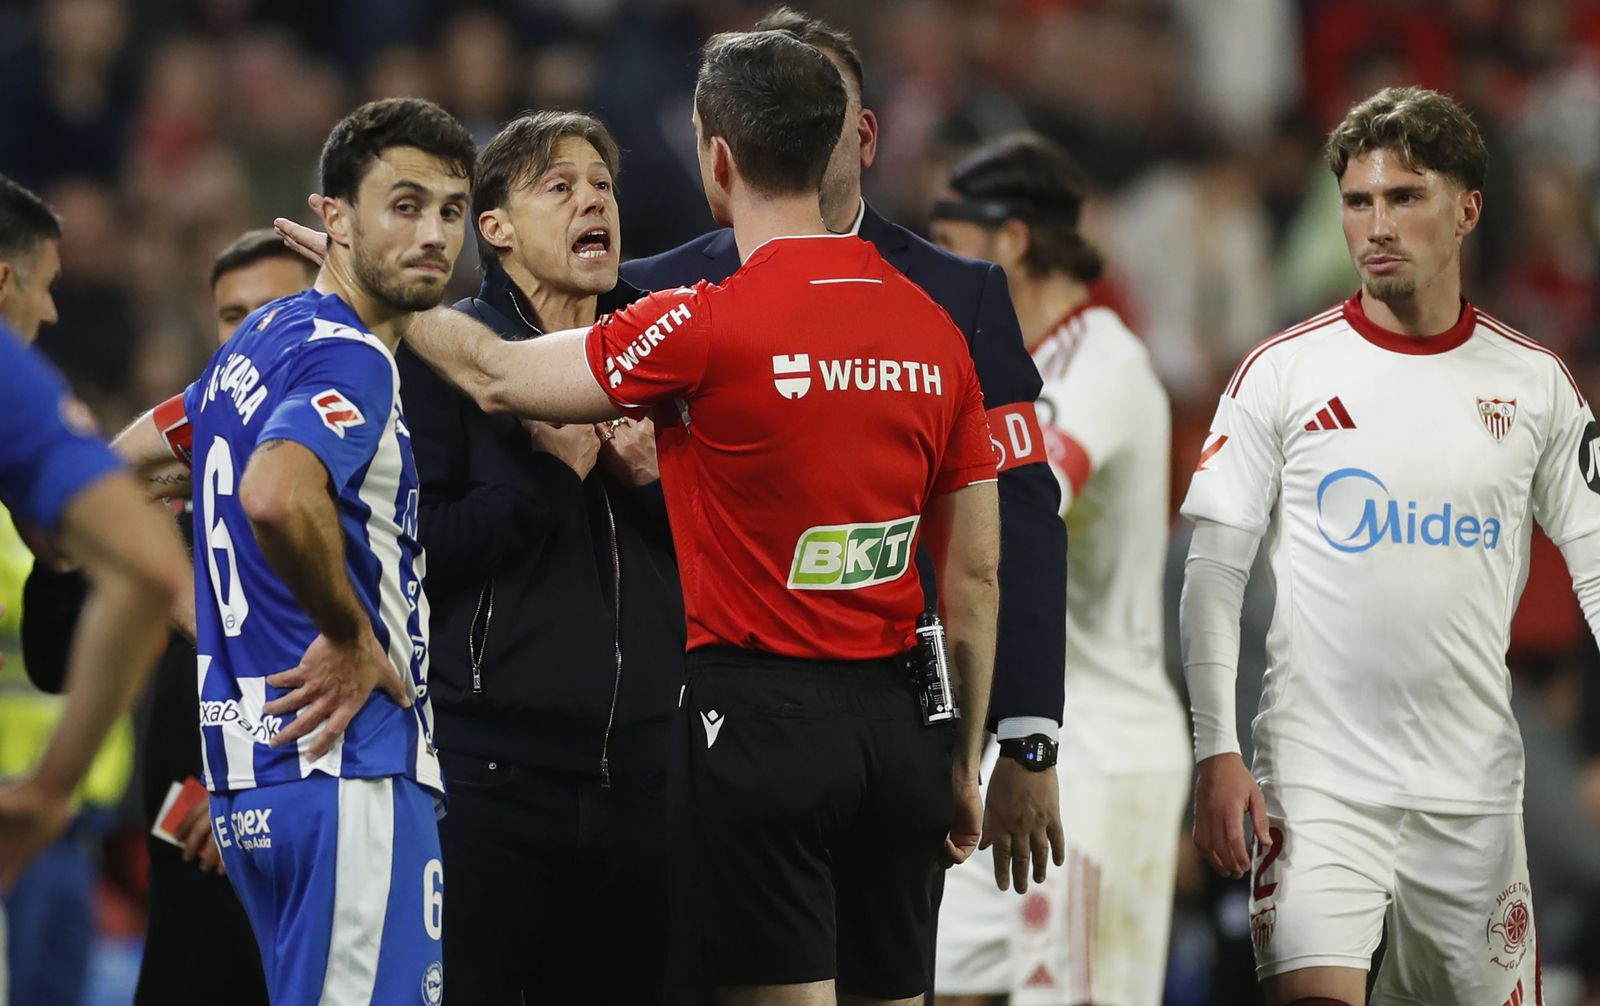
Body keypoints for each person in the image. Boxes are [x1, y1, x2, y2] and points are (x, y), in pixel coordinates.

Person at [386, 30, 1001, 1006]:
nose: (592, 201)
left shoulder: (700, 320)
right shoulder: (936, 329)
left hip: (757, 727)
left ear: (718, 160)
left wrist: (376, 283)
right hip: (899, 724)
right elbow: (975, 576)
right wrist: (964, 758)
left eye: (601, 183)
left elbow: (497, 374)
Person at [620, 5, 1067, 890]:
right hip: (705, 716)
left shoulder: (958, 296)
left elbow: (1015, 521)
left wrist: (1026, 737)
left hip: (903, 717)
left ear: (861, 135)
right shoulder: (656, 290)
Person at [1181, 85, 1591, 1006]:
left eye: (1405, 197)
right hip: (1317, 783)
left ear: (1467, 210)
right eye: (1358, 201)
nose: (1377, 225)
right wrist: (1216, 749)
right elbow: (1213, 568)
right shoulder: (1282, 371)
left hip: (1472, 795)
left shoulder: (1535, 385)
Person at [109, 97, 475, 1005]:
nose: (434, 234)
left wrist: (198, 603)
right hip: (348, 771)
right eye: (404, 205)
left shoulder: (256, 343)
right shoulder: (354, 356)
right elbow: (275, 492)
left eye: (451, 210)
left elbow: (118, 469)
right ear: (332, 218)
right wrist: (349, 634)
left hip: (250, 790)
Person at [402, 110, 682, 1004]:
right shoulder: (442, 358)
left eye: (601, 185)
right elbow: (416, 548)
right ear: (496, 228)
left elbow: (730, 555)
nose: (592, 200)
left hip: (645, 779)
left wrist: (653, 484)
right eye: (559, 187)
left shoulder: (668, 359)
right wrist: (547, 482)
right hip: (491, 780)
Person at [22, 227, 314, 1005]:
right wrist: (63, 552)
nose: (251, 334)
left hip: (315, 862)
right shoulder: (172, 486)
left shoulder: (368, 471)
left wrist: (259, 798)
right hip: (185, 873)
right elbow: (54, 661)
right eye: (233, 315)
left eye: (275, 310)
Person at [928, 134, 1188, 1006]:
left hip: (1100, 757)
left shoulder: (1101, 361)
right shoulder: (1016, 367)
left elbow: (1023, 505)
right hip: (1010, 748)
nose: (933, 272)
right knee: (937, 984)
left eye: (949, 245)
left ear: (1010, 241)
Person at [0, 175, 191, 900]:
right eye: (46, 286)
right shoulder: (14, 388)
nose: (51, 313)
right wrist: (50, 790)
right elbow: (146, 568)